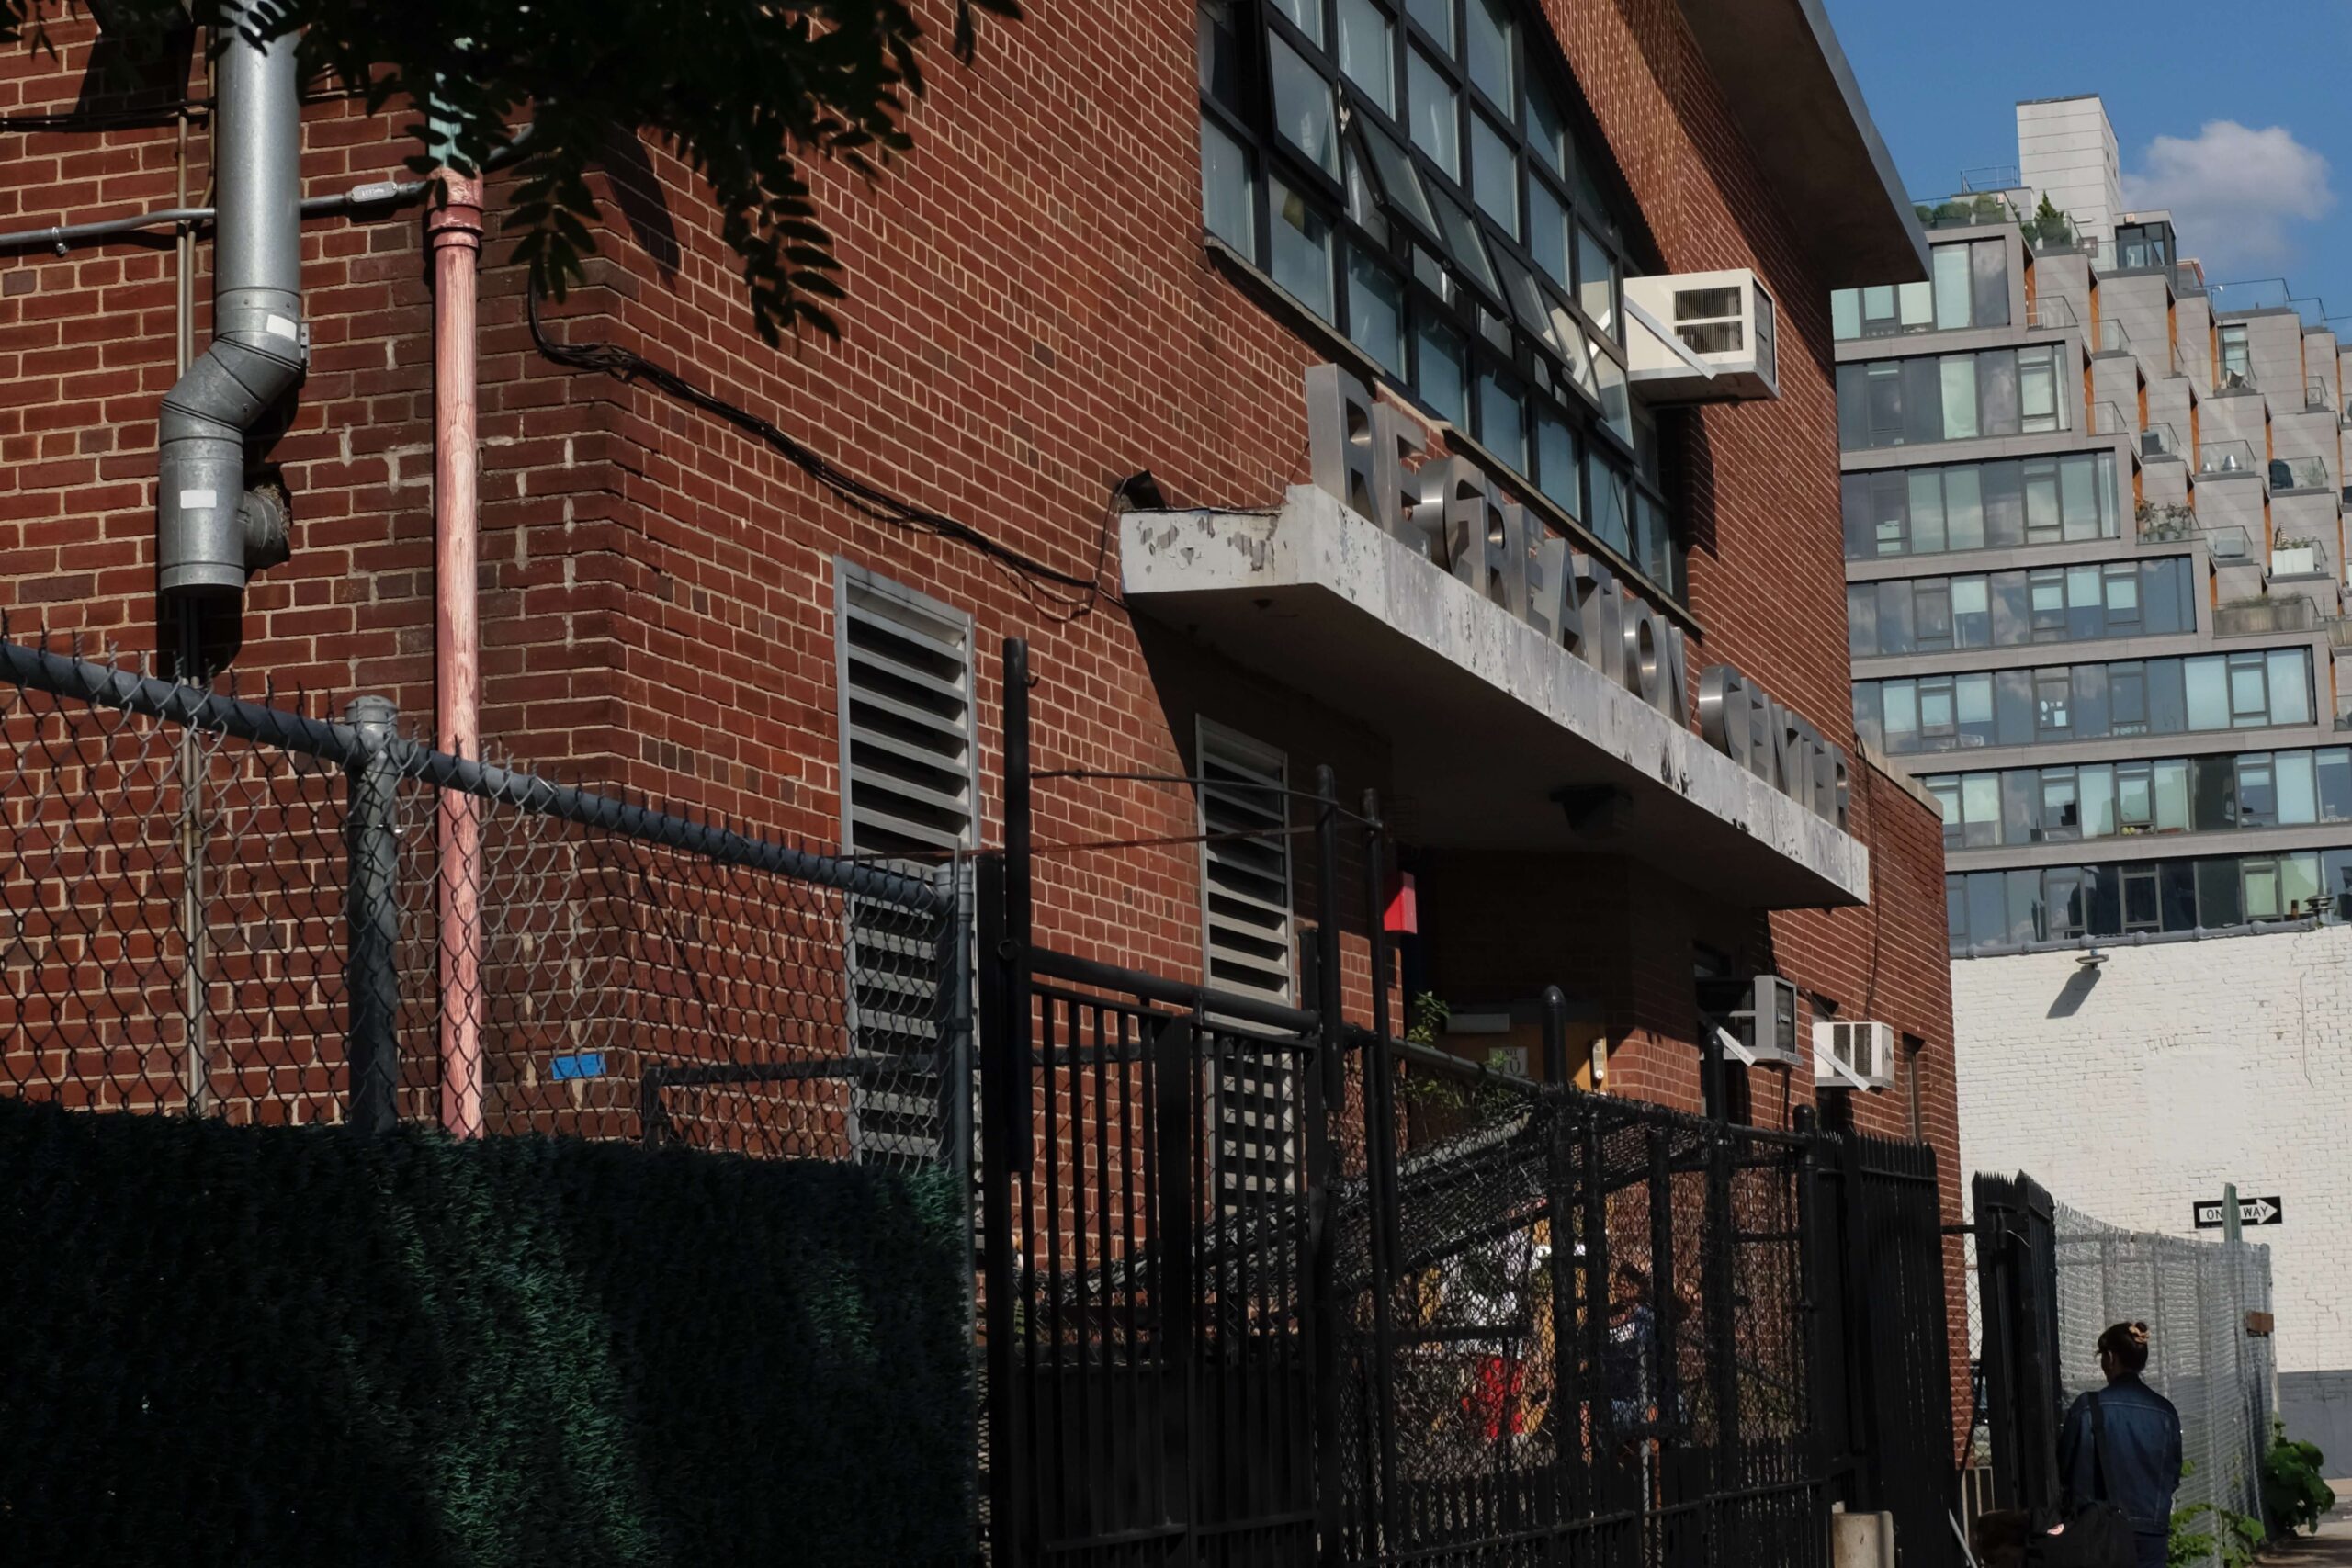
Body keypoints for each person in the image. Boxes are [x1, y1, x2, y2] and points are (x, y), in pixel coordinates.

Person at [2058, 1321, 2183, 1568]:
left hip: (2098, 1529)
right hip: (2151, 1531)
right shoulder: (2165, 1411)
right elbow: (2173, 1475)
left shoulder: (2088, 1408)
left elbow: (2064, 1466)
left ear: (2111, 1358)